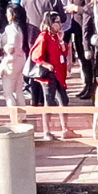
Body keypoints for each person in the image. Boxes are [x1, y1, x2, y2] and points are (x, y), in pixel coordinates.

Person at [27, 9, 73, 139]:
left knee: (63, 100)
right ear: (50, 23)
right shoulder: (43, 37)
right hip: (48, 75)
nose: (59, 25)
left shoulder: (56, 37)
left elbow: (62, 54)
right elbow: (35, 56)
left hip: (59, 73)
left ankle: (65, 128)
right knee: (49, 101)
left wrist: (62, 41)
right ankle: (46, 131)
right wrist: (46, 64)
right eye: (56, 22)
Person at [0, 3, 30, 106]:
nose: (6, 16)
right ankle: (22, 115)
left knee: (8, 93)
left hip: (11, 62)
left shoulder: (11, 28)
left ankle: (13, 117)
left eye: (8, 13)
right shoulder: (22, 28)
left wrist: (5, 50)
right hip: (21, 60)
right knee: (18, 90)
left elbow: (11, 48)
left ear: (13, 15)